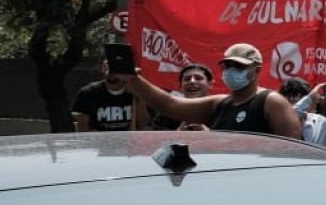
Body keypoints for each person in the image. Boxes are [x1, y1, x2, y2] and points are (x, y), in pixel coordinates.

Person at [129, 43, 302, 139]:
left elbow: (292, 149)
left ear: (256, 70)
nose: (231, 70)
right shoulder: (219, 104)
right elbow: (170, 105)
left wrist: (216, 140)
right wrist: (134, 80)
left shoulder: (271, 102)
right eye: (227, 66)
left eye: (239, 66)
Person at [72, 56, 144, 132]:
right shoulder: (88, 93)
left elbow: (142, 124)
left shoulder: (135, 92)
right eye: (106, 65)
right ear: (101, 68)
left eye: (115, 66)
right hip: (98, 142)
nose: (111, 71)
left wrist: (141, 98)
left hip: (128, 142)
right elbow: (82, 128)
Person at [148, 63, 212, 131]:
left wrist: (208, 133)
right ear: (180, 87)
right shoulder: (167, 111)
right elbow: (153, 138)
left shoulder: (220, 111)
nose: (192, 81)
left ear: (210, 84)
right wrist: (178, 133)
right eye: (187, 79)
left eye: (198, 78)